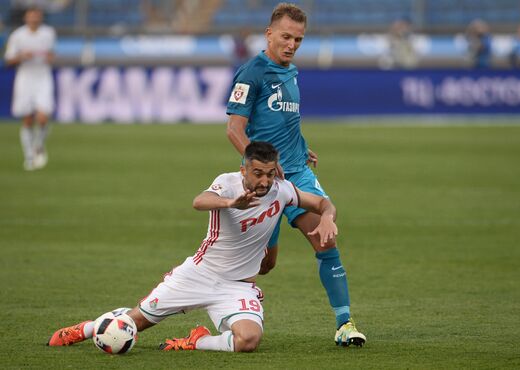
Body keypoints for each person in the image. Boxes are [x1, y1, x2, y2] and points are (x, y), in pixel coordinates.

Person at [47, 141, 340, 352]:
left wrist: (327, 217)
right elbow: (199, 201)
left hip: (237, 285)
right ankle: (86, 328)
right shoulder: (227, 184)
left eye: (269, 173)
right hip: (199, 274)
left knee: (249, 340)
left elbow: (322, 202)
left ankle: (196, 340)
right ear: (243, 170)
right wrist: (229, 202)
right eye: (257, 173)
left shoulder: (283, 190)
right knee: (133, 323)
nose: (264, 180)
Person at [226, 3, 366, 347]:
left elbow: (288, 121)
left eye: (299, 40)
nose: (291, 44)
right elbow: (234, 130)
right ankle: (228, 308)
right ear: (269, 34)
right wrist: (263, 168)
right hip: (265, 183)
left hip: (298, 176)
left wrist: (302, 148)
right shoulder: (251, 73)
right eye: (286, 37)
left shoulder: (292, 72)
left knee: (325, 240)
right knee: (265, 264)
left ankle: (345, 324)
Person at [4, 6, 56, 171]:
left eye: (37, 16)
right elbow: (8, 61)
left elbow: (52, 54)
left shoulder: (48, 33)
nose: (34, 19)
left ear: (40, 18)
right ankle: (29, 155)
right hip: (25, 78)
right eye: (31, 16)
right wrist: (21, 56)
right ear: (26, 18)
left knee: (42, 117)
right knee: (27, 119)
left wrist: (50, 57)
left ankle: (38, 145)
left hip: (42, 77)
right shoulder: (17, 36)